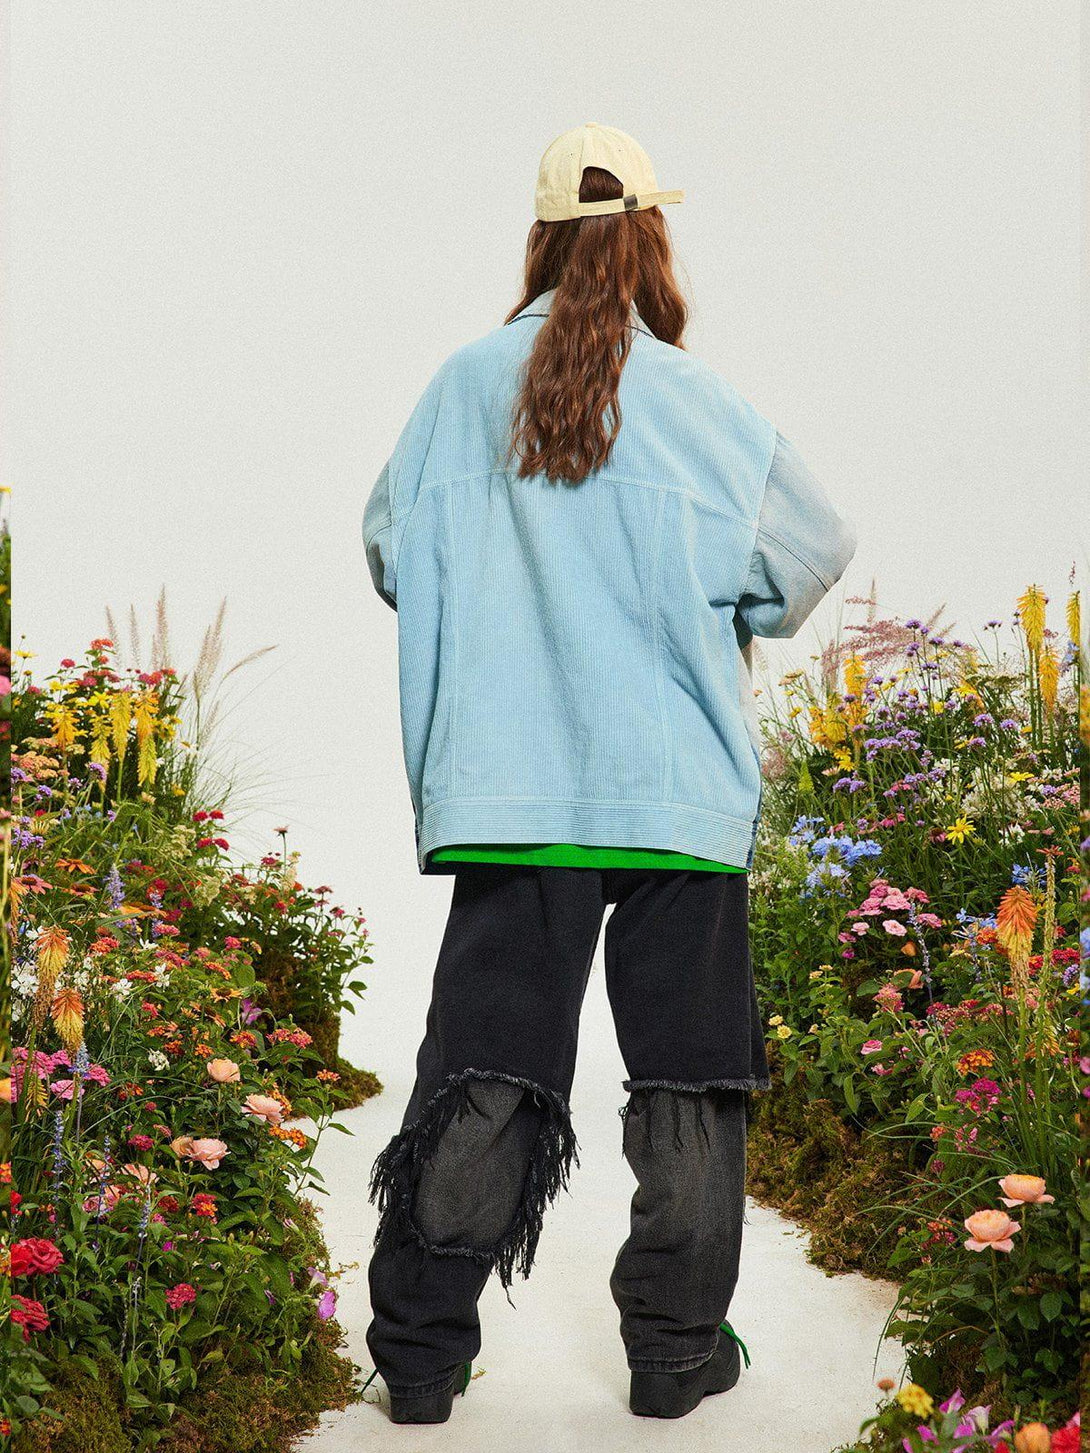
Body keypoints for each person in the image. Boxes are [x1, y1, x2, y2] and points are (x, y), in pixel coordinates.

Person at [361, 122, 856, 1424]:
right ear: (648, 239)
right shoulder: (703, 405)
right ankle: (674, 1355)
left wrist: (505, 597)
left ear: (537, 239)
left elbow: (390, 552)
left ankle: (417, 1362)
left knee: (486, 1065)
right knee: (689, 1071)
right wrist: (704, 606)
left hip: (513, 795)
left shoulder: (459, 387)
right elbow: (813, 548)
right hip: (677, 794)